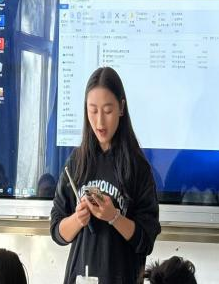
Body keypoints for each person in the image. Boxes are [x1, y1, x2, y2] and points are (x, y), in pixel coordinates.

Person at [50, 67, 161, 284]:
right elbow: (57, 231)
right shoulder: (76, 161)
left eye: (108, 111)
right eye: (92, 111)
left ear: (121, 108)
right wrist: (77, 219)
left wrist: (114, 217)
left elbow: (146, 241)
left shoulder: (138, 167)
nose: (100, 122)